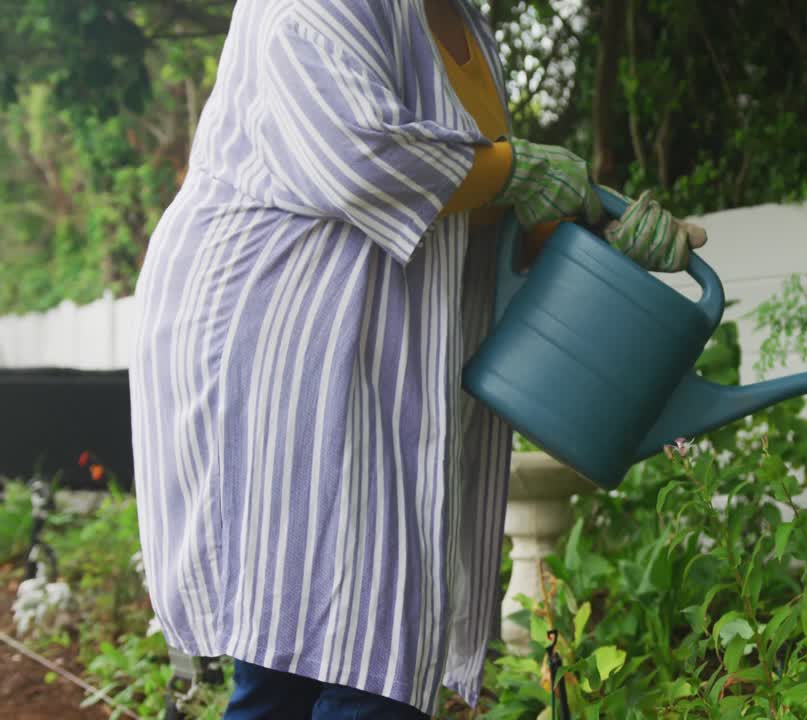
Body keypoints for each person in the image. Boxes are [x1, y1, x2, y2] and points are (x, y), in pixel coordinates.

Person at [127, 1, 708, 718]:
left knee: (320, 650)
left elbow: (473, 209)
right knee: (345, 653)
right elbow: (356, 158)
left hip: (375, 355)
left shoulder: (466, 26)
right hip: (278, 344)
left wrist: (593, 232)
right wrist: (520, 170)